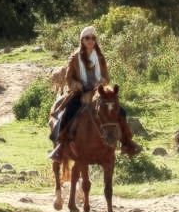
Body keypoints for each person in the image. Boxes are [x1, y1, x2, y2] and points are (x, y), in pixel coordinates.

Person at [48, 25, 141, 159]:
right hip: (80, 92)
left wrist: (103, 80)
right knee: (68, 113)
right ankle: (61, 145)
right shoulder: (75, 58)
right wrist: (76, 84)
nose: (90, 40)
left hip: (98, 92)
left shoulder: (100, 57)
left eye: (93, 38)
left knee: (121, 111)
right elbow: (69, 78)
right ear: (82, 40)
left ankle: (126, 143)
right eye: (87, 38)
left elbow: (106, 77)